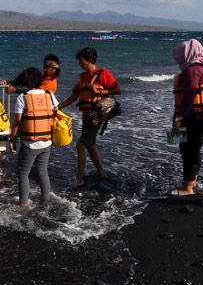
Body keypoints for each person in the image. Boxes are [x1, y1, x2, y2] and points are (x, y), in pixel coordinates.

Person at [57, 47, 121, 186]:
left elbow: (117, 90)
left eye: (81, 60)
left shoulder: (103, 73)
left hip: (97, 115)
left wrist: (99, 90)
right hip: (86, 116)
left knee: (81, 145)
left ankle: (79, 179)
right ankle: (101, 172)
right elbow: (74, 96)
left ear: (89, 60)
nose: (80, 63)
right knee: (90, 145)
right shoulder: (83, 77)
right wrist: (57, 108)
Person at [169, 39, 203, 196]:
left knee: (189, 150)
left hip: (195, 117)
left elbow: (190, 95)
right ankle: (192, 181)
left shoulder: (191, 70)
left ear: (187, 53)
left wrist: (177, 120)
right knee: (190, 148)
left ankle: (188, 188)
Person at [9, 67, 58, 208]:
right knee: (43, 171)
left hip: (29, 144)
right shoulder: (49, 94)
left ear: (26, 81)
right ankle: (45, 201)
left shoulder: (22, 98)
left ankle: (23, 204)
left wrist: (12, 139)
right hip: (47, 142)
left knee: (23, 173)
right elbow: (55, 111)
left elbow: (17, 122)